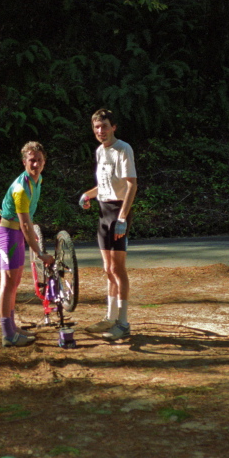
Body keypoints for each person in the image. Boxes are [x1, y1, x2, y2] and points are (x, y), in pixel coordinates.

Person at [78, 108, 138, 340]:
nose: (100, 131)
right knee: (107, 269)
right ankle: (110, 317)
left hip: (118, 212)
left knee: (118, 269)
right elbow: (104, 185)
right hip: (103, 212)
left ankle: (123, 322)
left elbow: (131, 185)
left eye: (104, 126)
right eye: (96, 127)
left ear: (113, 127)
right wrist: (88, 194)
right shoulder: (99, 151)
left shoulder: (123, 149)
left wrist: (122, 217)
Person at [0, 142, 54, 347]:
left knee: (15, 283)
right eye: (31, 160)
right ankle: (7, 334)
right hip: (7, 235)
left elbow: (27, 221)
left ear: (44, 162)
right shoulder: (21, 189)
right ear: (24, 162)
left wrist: (30, 235)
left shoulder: (37, 180)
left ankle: (12, 328)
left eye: (39, 160)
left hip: (16, 234)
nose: (35, 164)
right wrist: (39, 253)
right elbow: (25, 224)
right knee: (8, 284)